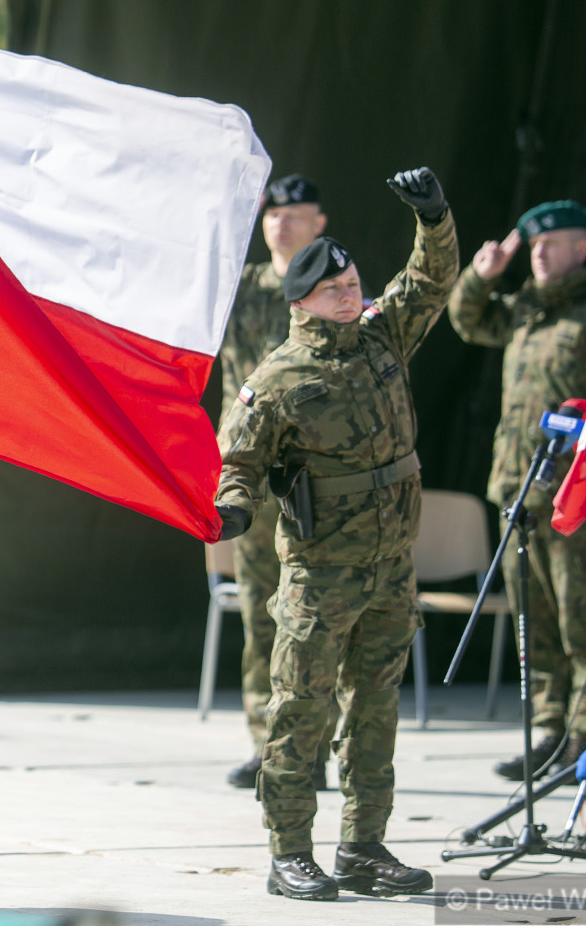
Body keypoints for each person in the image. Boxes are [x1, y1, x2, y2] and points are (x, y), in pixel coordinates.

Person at [214, 166, 456, 900]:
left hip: (390, 566)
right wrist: (233, 508)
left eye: (353, 283)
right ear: (302, 300)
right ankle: (290, 852)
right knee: (300, 713)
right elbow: (238, 460)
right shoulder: (280, 377)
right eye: (336, 289)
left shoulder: (382, 338)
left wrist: (434, 218)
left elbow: (431, 280)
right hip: (323, 575)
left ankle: (364, 846)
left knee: (375, 711)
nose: (352, 294)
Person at [448, 199, 586, 781]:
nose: (541, 255)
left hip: (576, 497)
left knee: (583, 619)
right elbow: (467, 320)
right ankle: (551, 730)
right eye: (535, 246)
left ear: (582, 247)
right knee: (536, 620)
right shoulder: (524, 310)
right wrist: (484, 274)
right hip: (518, 488)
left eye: (553, 244)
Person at [217, 173, 332, 791]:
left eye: (295, 215)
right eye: (272, 216)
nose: (280, 224)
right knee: (262, 613)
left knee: (317, 616)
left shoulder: (334, 291)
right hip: (254, 480)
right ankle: (268, 744)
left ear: (319, 223)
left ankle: (314, 745)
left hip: (319, 475)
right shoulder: (244, 289)